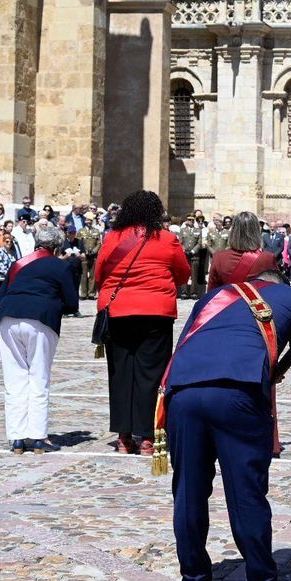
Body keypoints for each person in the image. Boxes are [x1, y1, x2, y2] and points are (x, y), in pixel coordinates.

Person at [165, 270, 291, 581]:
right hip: (238, 396)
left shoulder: (213, 297)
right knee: (246, 496)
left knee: (189, 494)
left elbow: (187, 344)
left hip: (183, 393)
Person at [97, 190, 190, 455]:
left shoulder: (113, 238)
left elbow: (100, 272)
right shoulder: (168, 239)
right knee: (152, 374)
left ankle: (124, 437)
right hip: (155, 312)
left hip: (118, 311)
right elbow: (182, 274)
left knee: (121, 374)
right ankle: (148, 436)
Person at [0, 225, 79, 454]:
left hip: (8, 318)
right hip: (41, 318)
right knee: (38, 377)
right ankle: (39, 437)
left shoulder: (19, 264)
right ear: (56, 247)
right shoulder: (61, 266)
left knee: (14, 380)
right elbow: (72, 303)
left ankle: (17, 438)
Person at [208, 212, 280, 290]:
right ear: (256, 232)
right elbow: (275, 291)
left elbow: (212, 293)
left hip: (228, 302)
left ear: (233, 232)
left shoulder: (219, 257)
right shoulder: (267, 258)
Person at [77, 212, 103, 299]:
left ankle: (91, 293)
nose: (89, 222)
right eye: (87, 220)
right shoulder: (81, 231)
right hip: (84, 256)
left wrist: (94, 251)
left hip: (93, 256)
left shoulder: (96, 231)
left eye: (90, 220)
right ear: (85, 221)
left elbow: (99, 243)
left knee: (93, 275)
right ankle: (83, 294)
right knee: (83, 275)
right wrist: (84, 251)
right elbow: (78, 243)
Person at [178, 216, 203, 300]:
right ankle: (184, 292)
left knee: (194, 275)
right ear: (186, 221)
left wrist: (192, 251)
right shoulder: (182, 230)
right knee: (184, 273)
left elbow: (199, 243)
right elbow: (180, 242)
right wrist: (184, 250)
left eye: (192, 220)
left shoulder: (198, 231)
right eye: (189, 220)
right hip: (184, 255)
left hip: (194, 255)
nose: (191, 221)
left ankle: (194, 293)